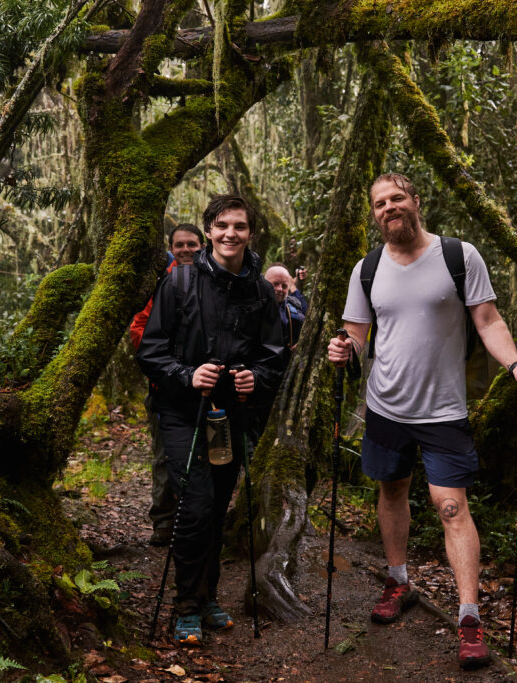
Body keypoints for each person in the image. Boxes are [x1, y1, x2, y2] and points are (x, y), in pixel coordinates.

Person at [327, 173, 517, 671]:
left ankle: (469, 619)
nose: (388, 208)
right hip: (385, 406)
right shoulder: (367, 269)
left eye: (396, 198)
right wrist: (344, 349)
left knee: (451, 508)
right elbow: (356, 333)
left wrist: (516, 366)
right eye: (380, 203)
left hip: (444, 410)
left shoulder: (458, 256)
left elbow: (488, 320)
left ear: (416, 201)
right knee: (392, 491)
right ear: (374, 214)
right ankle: (398, 581)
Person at [137, 195, 285, 647]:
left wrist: (255, 378)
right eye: (221, 225)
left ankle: (208, 599)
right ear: (208, 231)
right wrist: (187, 375)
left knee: (218, 507)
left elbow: (273, 356)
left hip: (230, 415)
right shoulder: (179, 281)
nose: (230, 234)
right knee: (195, 505)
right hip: (182, 412)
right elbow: (150, 350)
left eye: (239, 226)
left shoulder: (260, 290)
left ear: (250, 233)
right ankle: (185, 606)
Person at [128, 224, 205, 546]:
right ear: (170, 249)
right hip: (166, 387)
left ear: (203, 246)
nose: (186, 250)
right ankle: (163, 519)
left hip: (207, 386)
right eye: (179, 245)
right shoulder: (161, 282)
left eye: (192, 244)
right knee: (164, 455)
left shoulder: (214, 279)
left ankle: (201, 518)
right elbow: (139, 328)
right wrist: (168, 363)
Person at [264, 264, 306, 350]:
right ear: (264, 283)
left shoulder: (293, 311)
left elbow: (308, 318)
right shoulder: (251, 307)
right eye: (275, 284)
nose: (280, 289)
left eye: (284, 286)